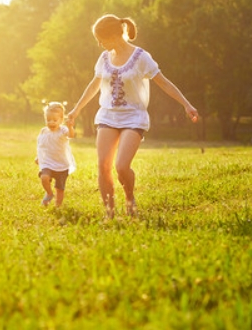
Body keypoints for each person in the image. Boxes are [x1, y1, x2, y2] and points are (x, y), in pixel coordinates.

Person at [67, 14, 198, 219]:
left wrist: (186, 104)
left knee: (121, 166)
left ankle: (129, 197)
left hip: (133, 117)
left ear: (113, 36)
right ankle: (109, 213)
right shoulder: (104, 58)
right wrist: (76, 110)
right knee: (103, 165)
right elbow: (94, 86)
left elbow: (163, 82)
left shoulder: (141, 57)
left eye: (101, 39)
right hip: (108, 116)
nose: (99, 44)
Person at [35, 102, 76, 207]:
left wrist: (70, 127)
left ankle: (58, 206)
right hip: (48, 162)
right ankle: (49, 193)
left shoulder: (63, 130)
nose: (51, 122)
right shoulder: (44, 131)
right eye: (48, 120)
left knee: (59, 188)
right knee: (44, 177)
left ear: (61, 120)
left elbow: (71, 135)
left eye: (54, 120)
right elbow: (41, 146)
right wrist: (38, 157)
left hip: (61, 164)